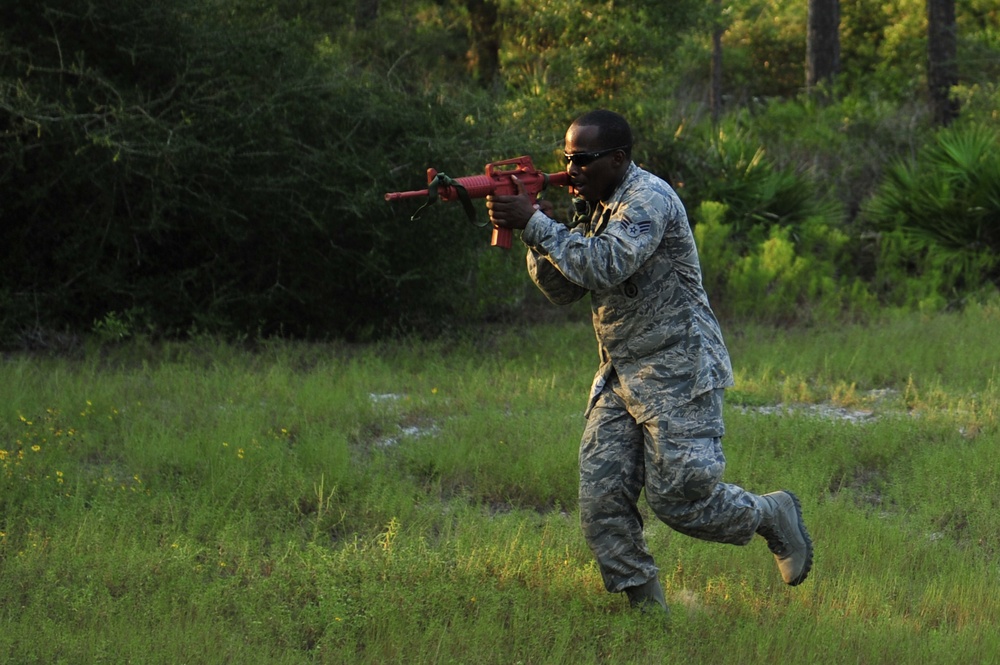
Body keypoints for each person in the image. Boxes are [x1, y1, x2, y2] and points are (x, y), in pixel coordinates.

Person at [485, 109, 813, 613]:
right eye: (566, 159)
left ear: (617, 159)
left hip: (678, 370)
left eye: (584, 160)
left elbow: (605, 264)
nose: (572, 169)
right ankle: (647, 613)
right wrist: (535, 231)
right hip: (620, 374)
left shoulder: (647, 199)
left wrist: (535, 223)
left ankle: (769, 514)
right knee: (600, 503)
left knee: (680, 499)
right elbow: (564, 290)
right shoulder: (590, 205)